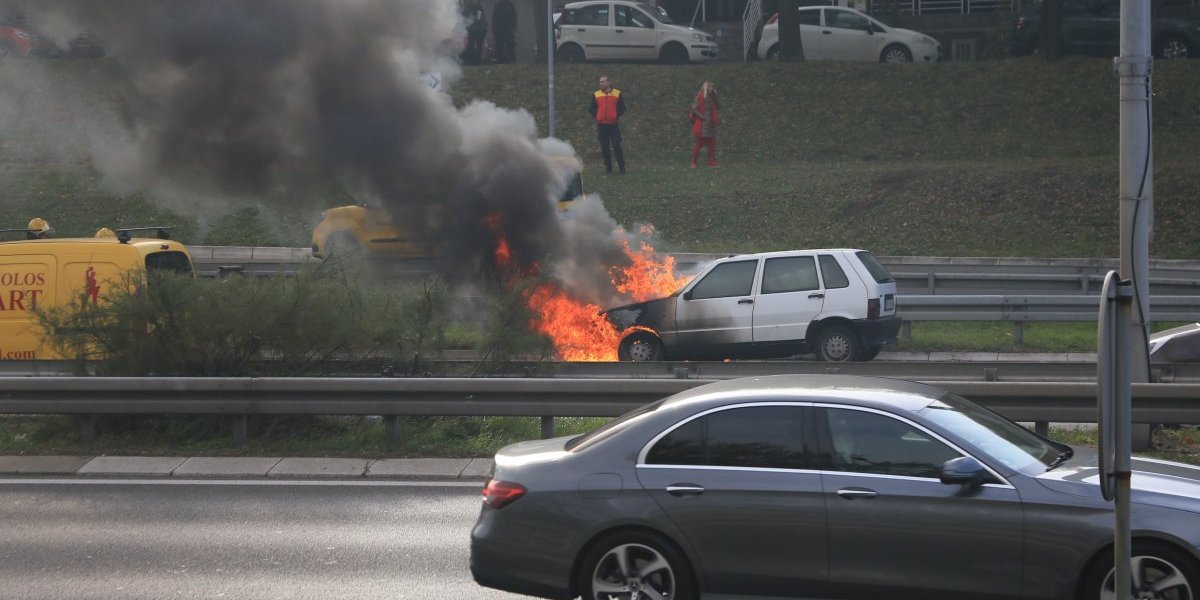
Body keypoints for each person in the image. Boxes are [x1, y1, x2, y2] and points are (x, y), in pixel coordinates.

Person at [589, 75, 626, 174]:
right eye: (600, 82)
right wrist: (596, 116)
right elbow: (591, 108)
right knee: (604, 147)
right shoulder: (596, 94)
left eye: (603, 82)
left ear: (608, 83)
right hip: (601, 125)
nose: (601, 84)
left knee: (616, 145)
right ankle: (608, 168)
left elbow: (622, 108)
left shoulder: (617, 94)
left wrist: (615, 115)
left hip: (613, 124)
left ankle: (622, 167)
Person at [689, 81, 719, 168]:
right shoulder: (699, 96)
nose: (711, 89)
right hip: (702, 124)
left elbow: (718, 106)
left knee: (712, 143)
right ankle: (694, 162)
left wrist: (715, 96)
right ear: (705, 87)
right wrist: (702, 117)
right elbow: (694, 109)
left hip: (710, 124)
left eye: (712, 87)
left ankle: (712, 161)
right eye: (710, 87)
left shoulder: (712, 97)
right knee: (699, 144)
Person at [461, 0, 487, 65]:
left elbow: (478, 19)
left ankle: (476, 61)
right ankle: (472, 61)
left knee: (478, 46)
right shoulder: (469, 7)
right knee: (471, 46)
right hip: (474, 30)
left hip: (479, 30)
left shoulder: (479, 7)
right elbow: (466, 18)